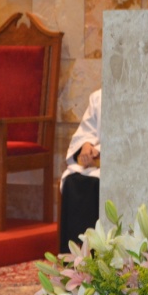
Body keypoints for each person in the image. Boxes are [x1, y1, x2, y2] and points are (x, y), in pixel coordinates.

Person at [59, 89, 101, 254]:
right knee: (73, 180)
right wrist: (86, 145)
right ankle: (73, 258)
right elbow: (85, 131)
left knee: (94, 184)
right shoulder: (98, 97)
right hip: (94, 165)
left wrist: (98, 152)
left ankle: (97, 255)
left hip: (118, 164)